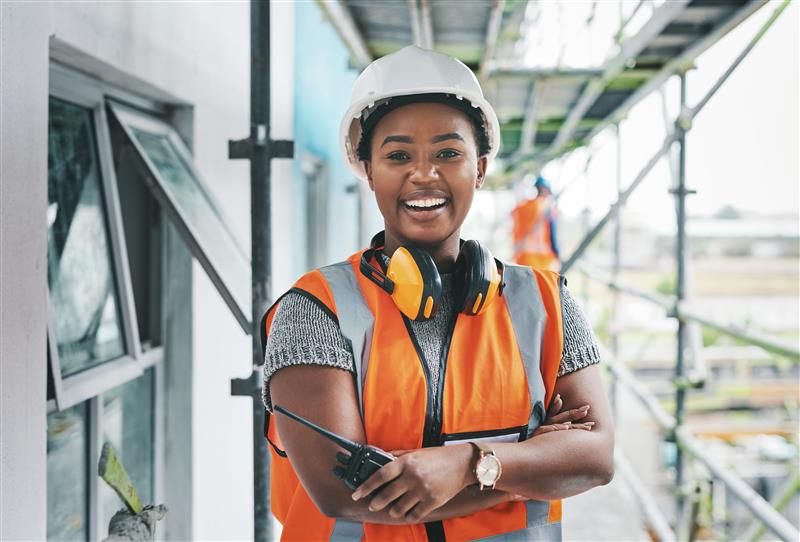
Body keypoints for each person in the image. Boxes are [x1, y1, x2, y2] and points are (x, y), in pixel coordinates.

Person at [261, 45, 613, 541]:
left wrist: (466, 465)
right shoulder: (315, 310)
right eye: (398, 154)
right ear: (367, 168)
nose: (423, 174)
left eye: (448, 153)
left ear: (481, 168)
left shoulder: (545, 301)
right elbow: (342, 493)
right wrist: (528, 457)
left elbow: (596, 457)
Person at [511, 176, 560, 270]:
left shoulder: (522, 207)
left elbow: (515, 228)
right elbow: (552, 233)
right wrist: (556, 252)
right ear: (544, 189)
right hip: (542, 258)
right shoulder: (548, 208)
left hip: (523, 255)